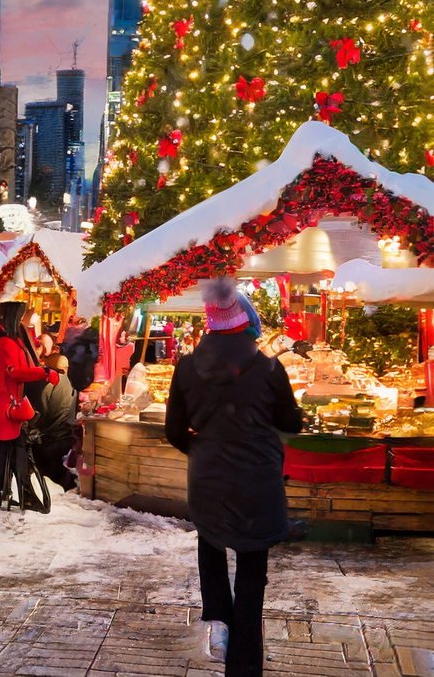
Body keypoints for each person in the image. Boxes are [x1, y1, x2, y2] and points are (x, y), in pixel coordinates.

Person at [165, 277, 303, 675]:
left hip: (209, 481)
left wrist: (205, 452)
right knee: (251, 574)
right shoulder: (267, 367)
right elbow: (291, 421)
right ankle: (244, 664)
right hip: (256, 482)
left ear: (210, 324)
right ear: (243, 322)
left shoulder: (187, 367)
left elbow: (175, 431)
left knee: (211, 540)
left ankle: (218, 615)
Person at [0, 301, 59, 519]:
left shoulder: (1, 338)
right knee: (1, 452)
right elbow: (16, 372)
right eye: (20, 316)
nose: (23, 320)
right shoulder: (5, 342)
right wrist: (44, 372)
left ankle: (0, 494)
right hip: (1, 409)